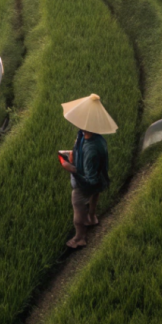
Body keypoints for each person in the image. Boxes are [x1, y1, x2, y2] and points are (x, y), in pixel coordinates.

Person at [57, 93, 116, 249]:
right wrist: (72, 153)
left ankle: (80, 238)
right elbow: (81, 149)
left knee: (78, 207)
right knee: (95, 195)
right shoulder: (89, 136)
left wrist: (71, 169)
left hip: (85, 184)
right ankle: (91, 217)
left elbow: (90, 180)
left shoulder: (92, 150)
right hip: (99, 180)